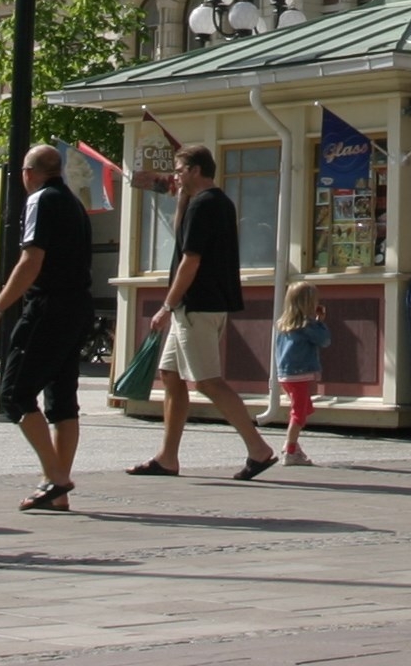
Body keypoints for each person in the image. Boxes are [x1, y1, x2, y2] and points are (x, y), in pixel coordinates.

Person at [131, 145, 277, 479]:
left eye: (181, 170)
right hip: (200, 306)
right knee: (170, 375)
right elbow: (185, 240)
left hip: (196, 306)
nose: (176, 176)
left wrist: (167, 306)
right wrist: (180, 196)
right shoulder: (217, 202)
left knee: (209, 382)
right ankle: (167, 457)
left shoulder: (204, 205)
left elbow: (190, 260)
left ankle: (259, 449)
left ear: (196, 170)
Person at [0, 143, 93, 510]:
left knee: (15, 393)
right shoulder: (75, 204)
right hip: (78, 305)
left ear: (29, 173)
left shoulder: (40, 200)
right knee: (62, 399)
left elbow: (31, 259)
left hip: (48, 305)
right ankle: (55, 489)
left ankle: (56, 477)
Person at [273, 281, 330, 466]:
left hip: (285, 374)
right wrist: (320, 322)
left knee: (304, 408)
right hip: (300, 374)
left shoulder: (283, 324)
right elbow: (324, 340)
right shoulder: (307, 325)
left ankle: (292, 445)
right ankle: (290, 450)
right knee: (299, 413)